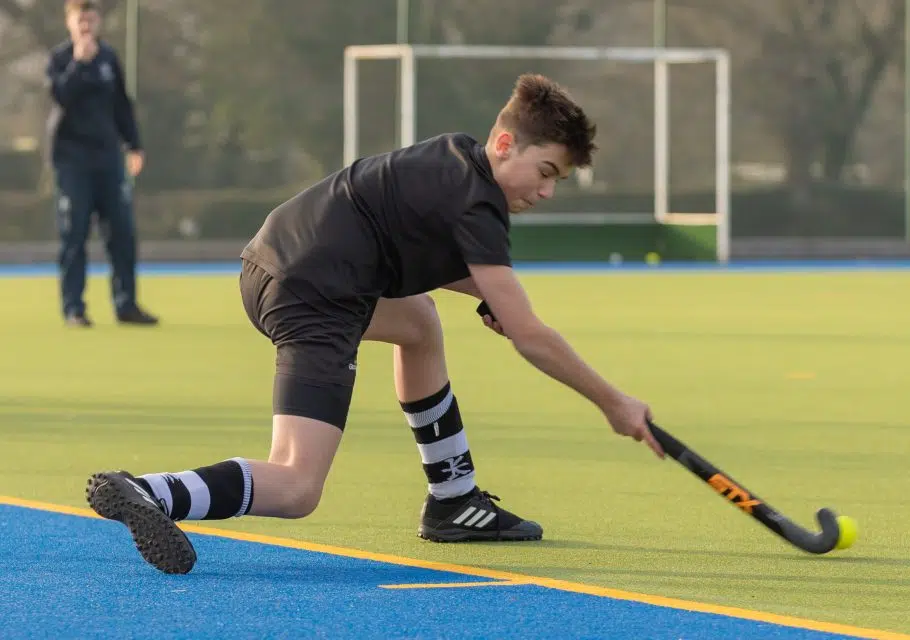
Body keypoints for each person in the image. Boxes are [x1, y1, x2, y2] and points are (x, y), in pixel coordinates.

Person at [85, 73, 664, 574]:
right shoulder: (478, 204)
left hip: (271, 263)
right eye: (545, 172)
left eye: (558, 180)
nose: (547, 190)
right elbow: (531, 337)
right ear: (506, 144)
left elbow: (403, 247)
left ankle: (453, 499)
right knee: (297, 485)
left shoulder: (453, 160)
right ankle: (151, 491)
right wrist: (613, 403)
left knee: (418, 322)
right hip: (314, 294)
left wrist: (487, 294)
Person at [45, 0, 158, 327]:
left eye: (91, 20)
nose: (86, 26)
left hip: (108, 159)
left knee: (122, 233)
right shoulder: (60, 59)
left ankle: (126, 305)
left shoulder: (108, 58)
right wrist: (79, 64)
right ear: (69, 23)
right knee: (74, 234)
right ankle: (74, 308)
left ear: (98, 22)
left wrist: (134, 145)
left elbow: (121, 105)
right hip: (72, 161)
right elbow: (60, 96)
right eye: (80, 20)